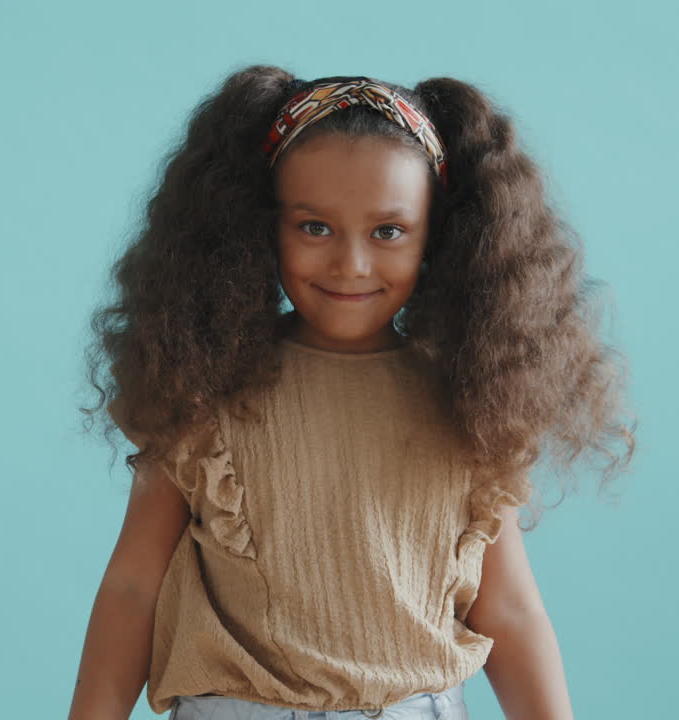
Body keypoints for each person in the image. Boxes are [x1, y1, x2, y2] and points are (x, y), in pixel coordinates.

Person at [69, 66, 636, 720]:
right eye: (315, 228)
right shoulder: (204, 389)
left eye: (388, 232)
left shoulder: (466, 404)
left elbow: (509, 608)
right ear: (259, 227)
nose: (351, 264)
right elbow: (135, 587)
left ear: (438, 239)